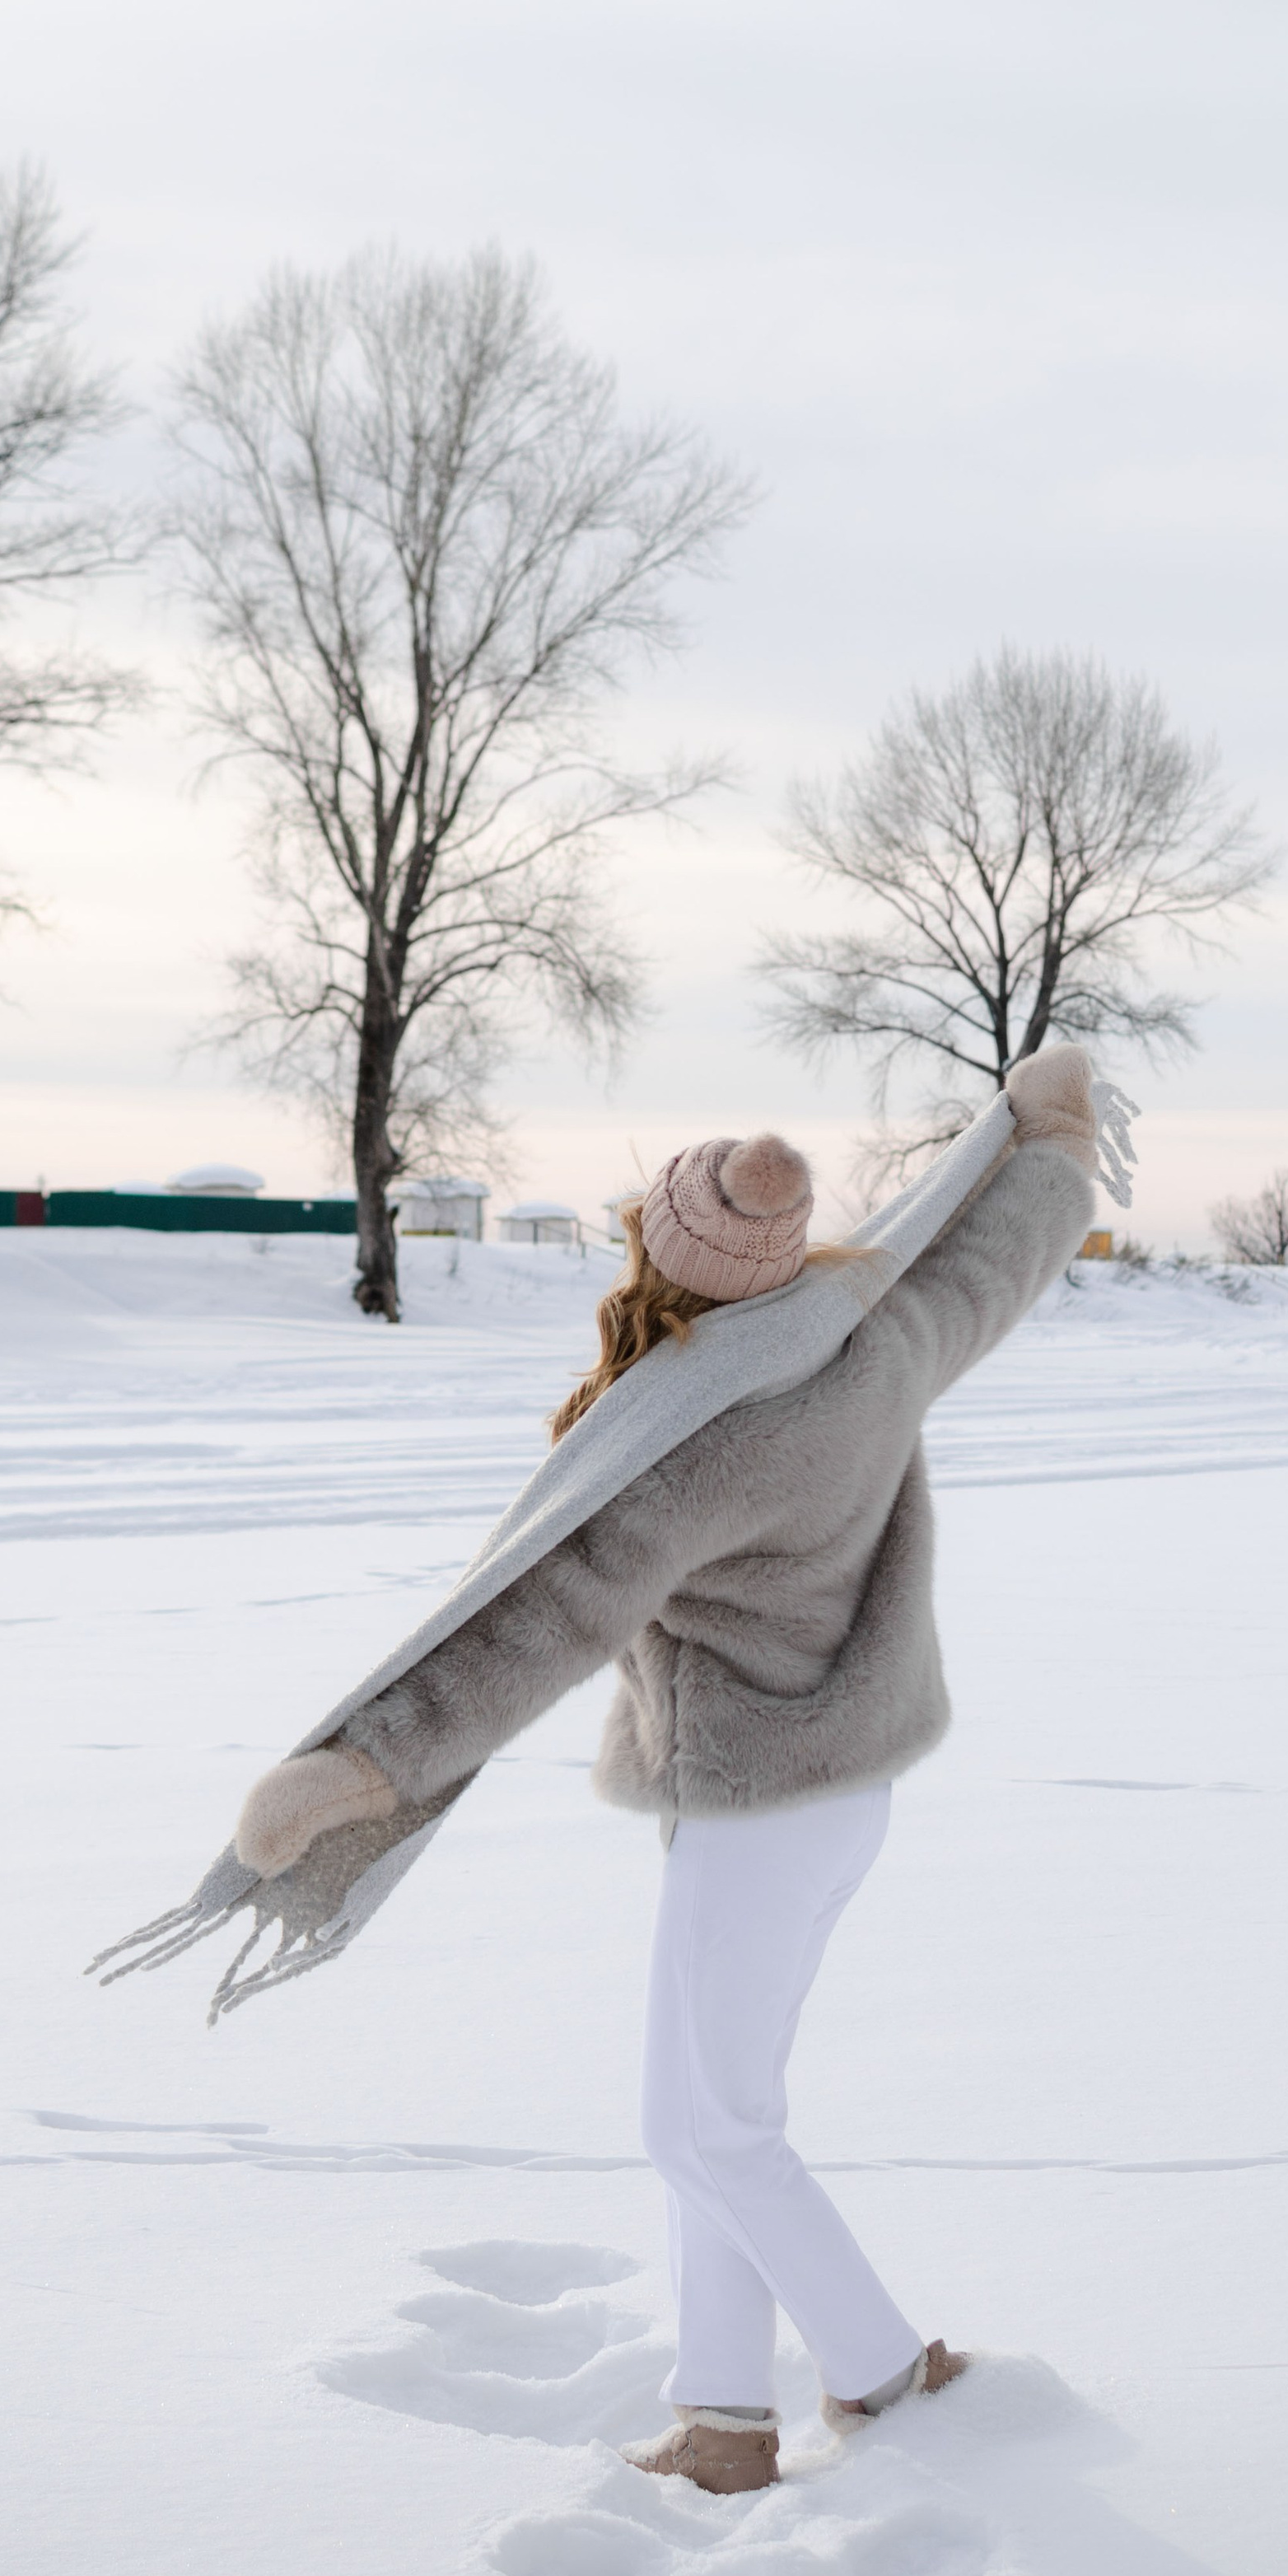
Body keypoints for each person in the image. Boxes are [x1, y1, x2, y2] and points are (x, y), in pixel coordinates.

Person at [231, 1045, 1100, 2492]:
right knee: (702, 2120)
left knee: (714, 2128)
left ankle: (889, 2374)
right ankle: (723, 2418)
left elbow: (543, 1621)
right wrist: (1056, 1149)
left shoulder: (696, 1435)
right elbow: (989, 1268)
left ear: (663, 1261)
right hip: (839, 1797)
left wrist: (368, 1764)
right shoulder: (869, 1335)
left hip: (759, 1809)